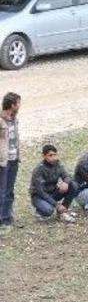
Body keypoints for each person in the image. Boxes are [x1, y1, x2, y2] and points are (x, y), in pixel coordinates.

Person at [30, 144, 78, 223]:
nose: (53, 158)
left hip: (53, 192)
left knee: (73, 185)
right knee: (49, 211)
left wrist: (65, 182)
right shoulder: (39, 169)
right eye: (50, 155)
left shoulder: (58, 164)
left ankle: (63, 210)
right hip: (39, 197)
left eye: (55, 155)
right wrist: (56, 205)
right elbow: (40, 192)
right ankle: (39, 212)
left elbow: (68, 176)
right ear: (44, 156)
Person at [0, 92, 21, 230]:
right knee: (1, 191)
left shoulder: (14, 119)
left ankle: (7, 218)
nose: (20, 106)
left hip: (13, 160)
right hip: (3, 162)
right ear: (12, 105)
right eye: (18, 103)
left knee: (9, 190)